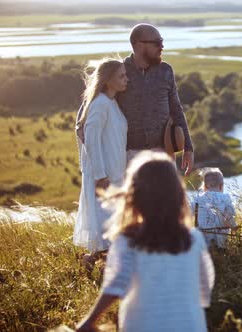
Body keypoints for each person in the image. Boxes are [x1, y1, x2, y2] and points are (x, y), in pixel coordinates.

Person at [76, 151, 215, 332]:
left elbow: (117, 284)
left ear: (134, 195)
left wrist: (90, 320)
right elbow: (204, 285)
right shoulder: (193, 238)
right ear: (177, 195)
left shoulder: (129, 239)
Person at [117, 23, 194, 174]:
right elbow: (99, 100)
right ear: (139, 45)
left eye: (162, 42)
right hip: (128, 157)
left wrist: (188, 148)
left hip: (164, 154)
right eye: (157, 43)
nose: (162, 47)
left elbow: (176, 109)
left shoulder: (166, 70)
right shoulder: (120, 71)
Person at [73, 59, 129, 265]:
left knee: (111, 222)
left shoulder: (112, 102)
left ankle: (90, 259)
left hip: (115, 173)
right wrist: (99, 175)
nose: (126, 79)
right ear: (108, 80)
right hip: (103, 176)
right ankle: (106, 265)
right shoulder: (100, 104)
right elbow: (91, 138)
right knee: (106, 223)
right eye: (122, 76)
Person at [191, 168, 237, 249]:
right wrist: (234, 226)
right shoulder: (225, 198)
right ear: (221, 185)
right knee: (221, 253)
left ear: (204, 186)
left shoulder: (198, 198)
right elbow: (228, 216)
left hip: (203, 239)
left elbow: (188, 212)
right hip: (220, 241)